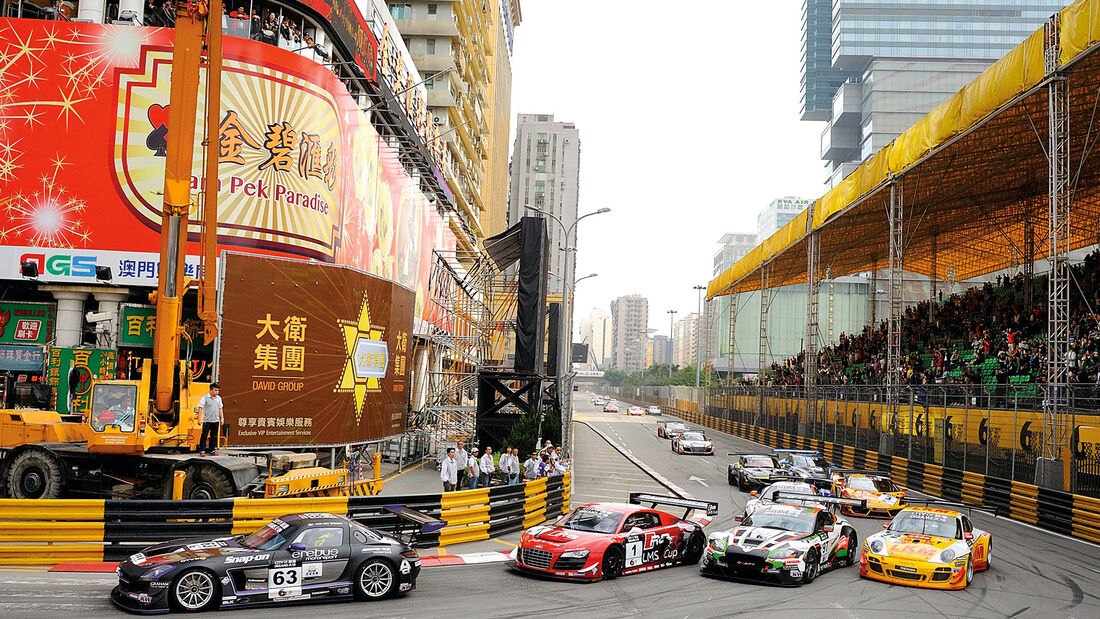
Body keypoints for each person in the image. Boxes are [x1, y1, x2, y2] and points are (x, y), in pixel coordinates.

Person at [195, 382, 223, 456]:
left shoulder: (219, 398)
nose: (217, 392)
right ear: (211, 390)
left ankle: (212, 450)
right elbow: (200, 408)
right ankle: (202, 450)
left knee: (214, 436)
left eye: (218, 390)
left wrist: (222, 418)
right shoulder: (204, 398)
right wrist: (199, 419)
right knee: (204, 435)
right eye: (215, 390)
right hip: (207, 420)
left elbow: (220, 409)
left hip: (216, 420)